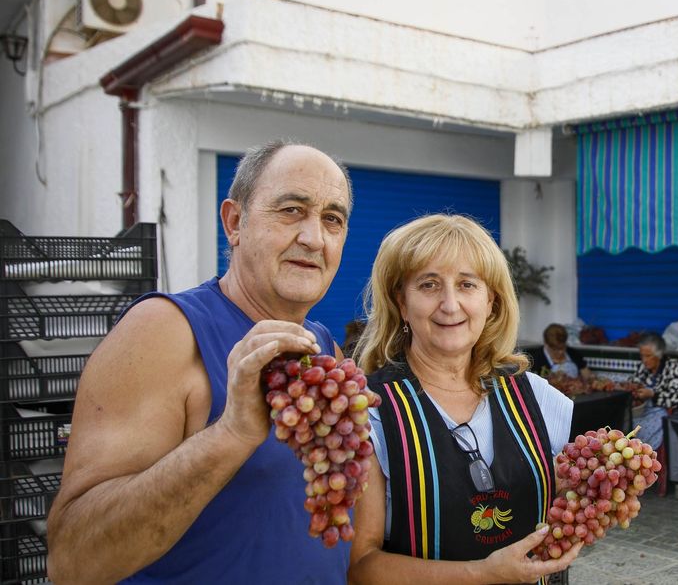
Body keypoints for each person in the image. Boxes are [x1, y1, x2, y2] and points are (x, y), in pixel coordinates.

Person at [46, 140, 356, 583]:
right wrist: (230, 434)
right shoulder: (164, 331)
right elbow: (74, 560)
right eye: (291, 210)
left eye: (332, 219)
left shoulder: (324, 350)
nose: (313, 238)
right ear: (234, 221)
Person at [348, 214, 581, 584]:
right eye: (429, 284)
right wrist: (483, 574)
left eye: (467, 284)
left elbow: (557, 522)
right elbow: (361, 569)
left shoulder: (539, 399)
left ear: (491, 300)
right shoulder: (368, 413)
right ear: (402, 303)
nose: (450, 304)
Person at [629, 332, 678, 450]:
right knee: (623, 422)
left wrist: (653, 394)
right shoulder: (643, 367)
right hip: (642, 411)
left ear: (659, 355)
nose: (644, 360)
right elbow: (633, 383)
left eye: (648, 356)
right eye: (642, 356)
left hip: (662, 412)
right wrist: (635, 392)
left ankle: (641, 458)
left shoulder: (672, 367)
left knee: (640, 429)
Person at [527, 323, 594, 382]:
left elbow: (587, 376)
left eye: (562, 348)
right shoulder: (535, 359)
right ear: (546, 344)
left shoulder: (573, 354)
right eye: (555, 349)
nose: (560, 352)